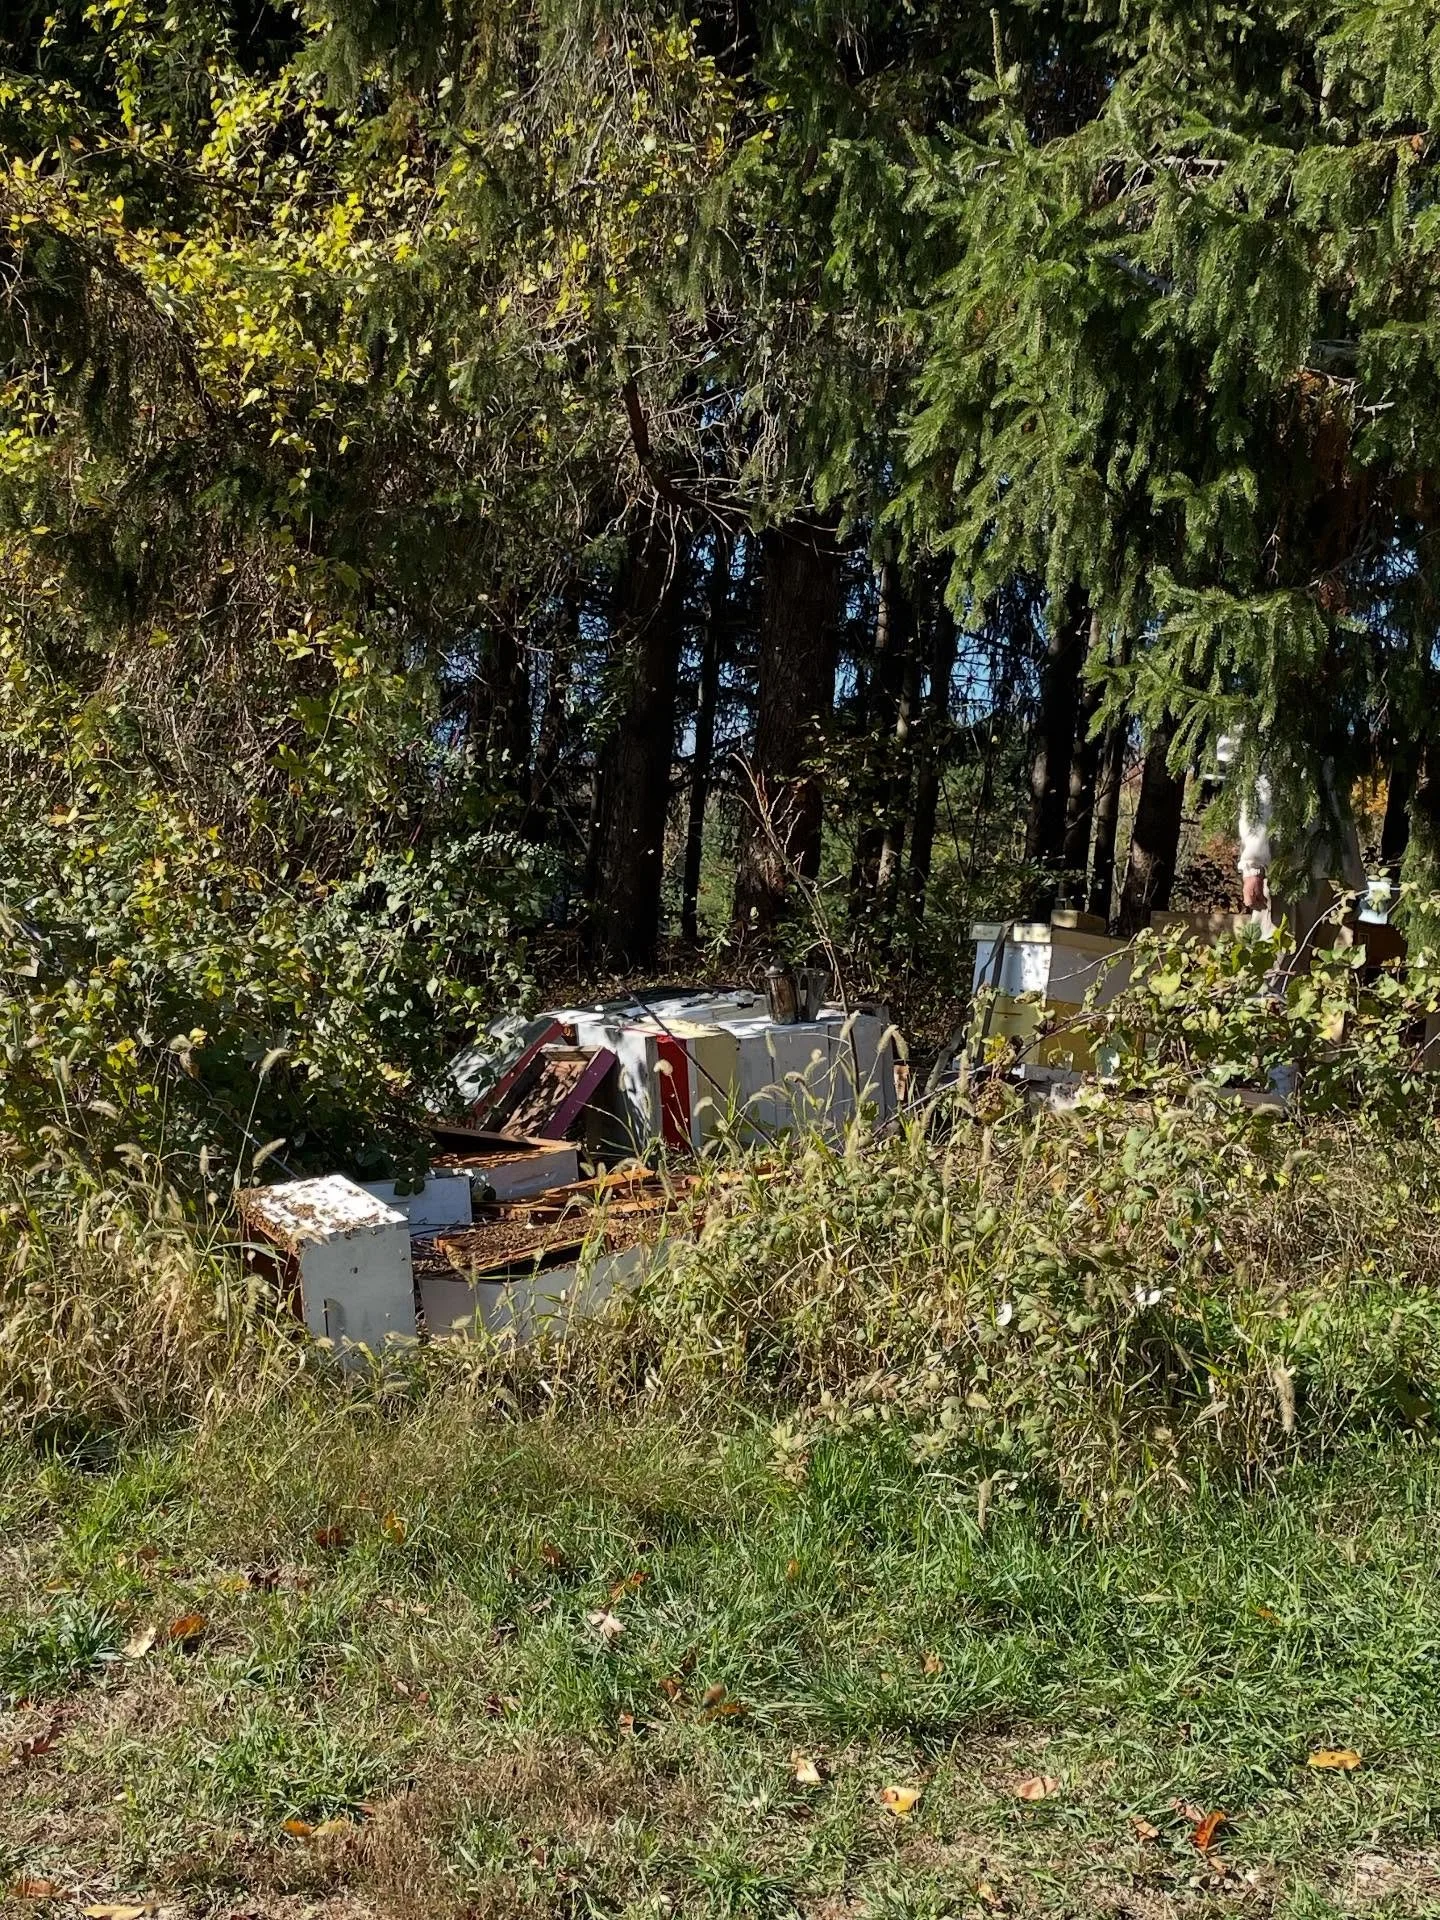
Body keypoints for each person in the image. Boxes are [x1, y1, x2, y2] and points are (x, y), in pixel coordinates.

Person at [1215, 734, 1365, 951]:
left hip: (1311, 873)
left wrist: (1253, 867)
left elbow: (1260, 800)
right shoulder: (1293, 732)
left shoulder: (1303, 730)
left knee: (1290, 970)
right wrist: (1254, 868)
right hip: (1303, 873)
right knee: (1285, 968)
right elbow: (1258, 803)